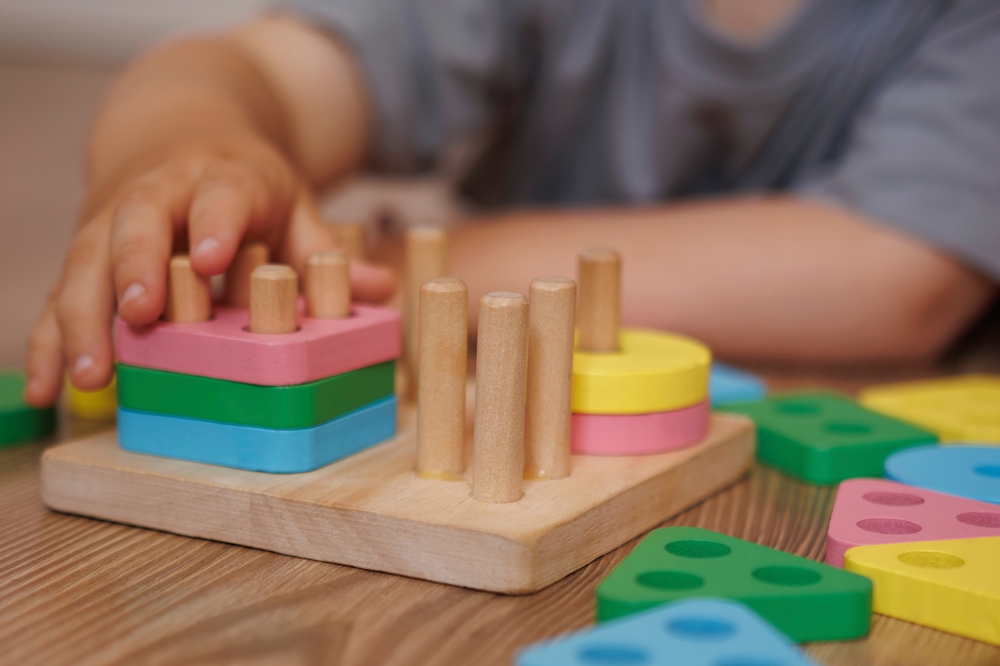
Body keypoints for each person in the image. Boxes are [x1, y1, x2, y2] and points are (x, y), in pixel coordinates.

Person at [23, 0, 1000, 408]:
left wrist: (417, 266)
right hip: (477, 397)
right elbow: (259, 71)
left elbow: (899, 272)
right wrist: (179, 149)